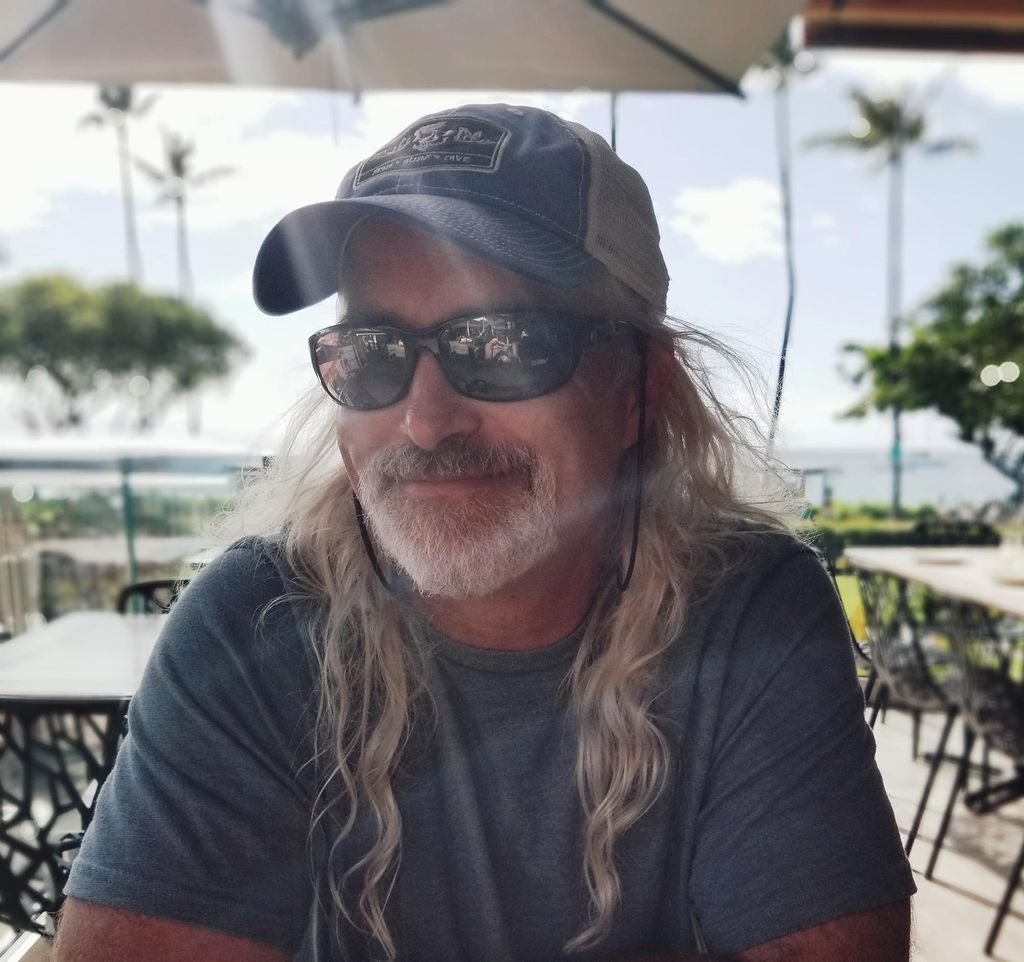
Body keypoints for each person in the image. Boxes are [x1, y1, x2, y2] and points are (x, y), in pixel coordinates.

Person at [55, 103, 915, 962]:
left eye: (499, 344)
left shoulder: (747, 611)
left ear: (633, 388)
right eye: (372, 350)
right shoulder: (258, 621)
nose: (425, 422)